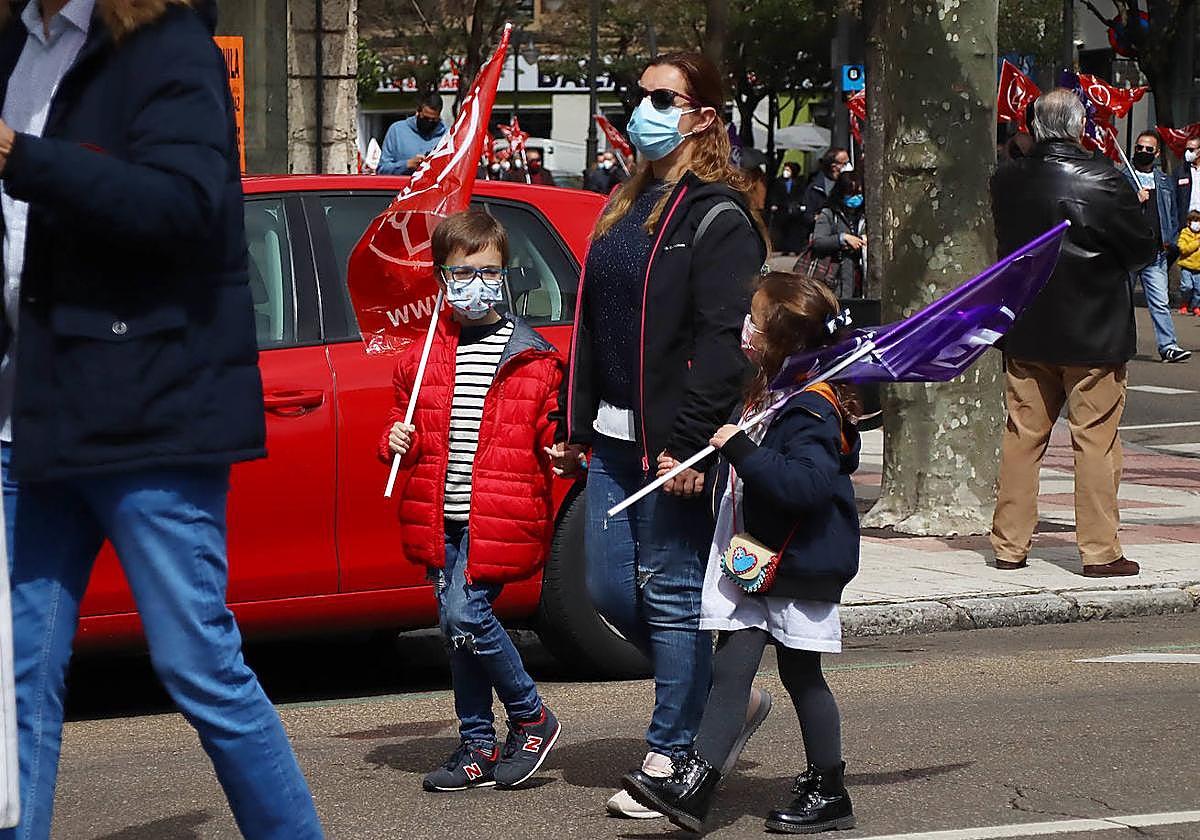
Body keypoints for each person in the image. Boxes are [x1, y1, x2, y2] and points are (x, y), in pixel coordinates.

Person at [0, 1, 324, 838]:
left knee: (198, 666)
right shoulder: (16, 47)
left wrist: (23, 157)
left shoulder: (165, 44)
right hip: (33, 413)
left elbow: (183, 206)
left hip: (149, 410)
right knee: (12, 683)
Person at [548, 51, 769, 820]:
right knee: (610, 586)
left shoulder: (718, 215)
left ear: (702, 116)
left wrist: (688, 444)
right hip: (610, 437)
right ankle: (720, 704)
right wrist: (574, 425)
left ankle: (674, 752)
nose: (643, 108)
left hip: (671, 440)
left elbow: (720, 345)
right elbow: (595, 323)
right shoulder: (624, 201)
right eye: (638, 96)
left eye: (662, 97)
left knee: (670, 594)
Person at [620, 272, 861, 835]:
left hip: (796, 564)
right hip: (754, 558)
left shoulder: (811, 408)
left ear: (780, 340)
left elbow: (806, 486)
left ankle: (830, 789)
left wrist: (741, 448)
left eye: (754, 317)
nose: (744, 326)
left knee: (803, 676)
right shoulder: (774, 392)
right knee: (731, 667)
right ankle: (697, 783)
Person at [380, 209, 564, 793]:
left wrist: (564, 450)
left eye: (487, 272)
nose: (475, 285)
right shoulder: (425, 356)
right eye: (461, 274)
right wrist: (394, 441)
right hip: (445, 519)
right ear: (441, 278)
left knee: (467, 613)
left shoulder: (532, 358)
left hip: (497, 518)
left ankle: (532, 715)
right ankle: (477, 745)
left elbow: (549, 430)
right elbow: (407, 435)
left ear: (506, 274)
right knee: (455, 632)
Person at [990, 89, 1159, 579]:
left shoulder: (1007, 179)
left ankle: (1009, 545)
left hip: (1026, 324)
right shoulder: (1104, 179)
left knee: (1023, 437)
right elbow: (1141, 250)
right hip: (1093, 329)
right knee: (1096, 441)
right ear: (1079, 127)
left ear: (1035, 126)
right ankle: (1100, 550)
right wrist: (1139, 210)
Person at [1124, 130, 1190, 362]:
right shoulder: (1123, 177)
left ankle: (1168, 346)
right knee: (1122, 302)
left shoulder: (1163, 180)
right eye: (1139, 148)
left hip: (1155, 253)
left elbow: (1171, 213)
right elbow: (1111, 211)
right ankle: (1119, 345)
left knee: (1160, 302)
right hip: (1129, 252)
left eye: (1148, 149)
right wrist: (1132, 199)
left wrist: (1170, 240)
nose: (1142, 152)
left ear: (1157, 153)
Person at [809, 170, 866, 299]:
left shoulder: (865, 215)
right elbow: (818, 242)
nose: (855, 198)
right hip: (834, 278)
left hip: (861, 277)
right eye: (850, 194)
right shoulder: (829, 214)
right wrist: (842, 238)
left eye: (859, 194)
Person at [378, 93, 448, 176]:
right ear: (418, 112)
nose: (429, 122)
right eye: (426, 118)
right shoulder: (396, 131)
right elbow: (382, 169)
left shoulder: (447, 137)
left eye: (433, 120)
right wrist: (407, 165)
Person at [798, 147, 849, 248]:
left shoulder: (849, 184)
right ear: (834, 166)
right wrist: (820, 218)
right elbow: (806, 215)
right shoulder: (815, 187)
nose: (849, 166)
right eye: (845, 163)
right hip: (823, 239)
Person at [768, 162, 807, 255]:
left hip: (795, 208)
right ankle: (785, 248)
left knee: (794, 229)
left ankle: (795, 248)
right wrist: (774, 204)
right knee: (784, 229)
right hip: (783, 208)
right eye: (785, 169)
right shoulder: (779, 181)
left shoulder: (798, 182)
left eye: (788, 170)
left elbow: (802, 194)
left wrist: (801, 204)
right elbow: (774, 193)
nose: (786, 172)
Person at [1174, 134, 1200, 229]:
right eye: (1186, 150)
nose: (1188, 153)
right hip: (1186, 225)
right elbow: (1174, 199)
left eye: (1191, 150)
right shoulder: (1180, 172)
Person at [1178, 210, 1200, 316]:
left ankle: (1196, 306)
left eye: (1198, 221)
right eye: (1194, 221)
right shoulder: (1185, 233)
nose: (1197, 224)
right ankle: (1184, 303)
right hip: (1186, 266)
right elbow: (1183, 248)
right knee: (1187, 287)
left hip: (1198, 268)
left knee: (1198, 289)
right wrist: (1196, 243)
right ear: (1189, 222)